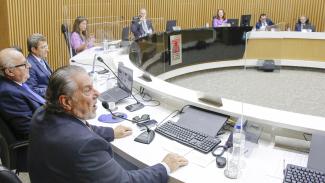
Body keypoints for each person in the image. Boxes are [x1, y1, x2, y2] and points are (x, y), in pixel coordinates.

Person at [28, 65, 188, 183]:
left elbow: (79, 128)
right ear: (66, 101)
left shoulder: (42, 113)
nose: (97, 93)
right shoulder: (85, 146)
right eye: (87, 90)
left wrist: (111, 133)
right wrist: (165, 166)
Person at [0, 48, 45, 140]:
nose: (30, 66)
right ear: (9, 71)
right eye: (24, 64)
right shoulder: (8, 93)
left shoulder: (18, 82)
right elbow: (28, 131)